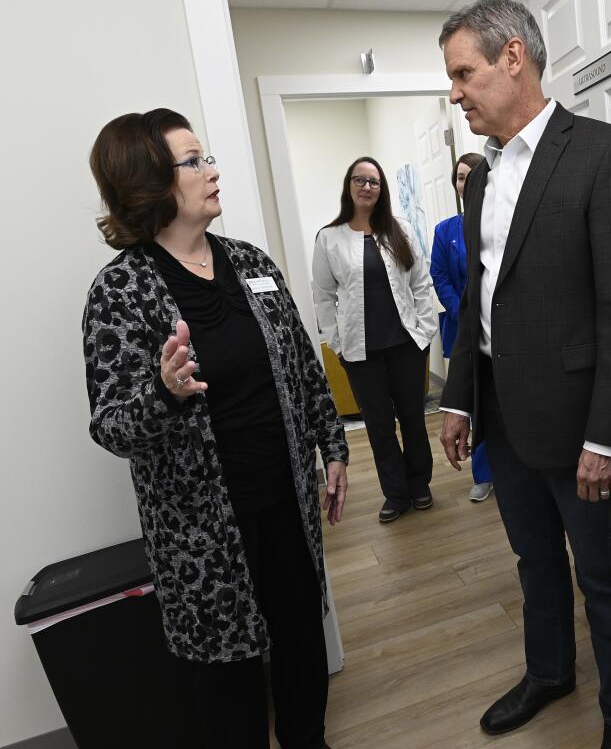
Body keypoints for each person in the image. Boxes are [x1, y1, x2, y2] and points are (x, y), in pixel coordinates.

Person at [82, 109, 348, 749]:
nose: (213, 170)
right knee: (228, 684)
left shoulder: (250, 262)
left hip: (286, 501)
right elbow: (112, 426)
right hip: (202, 532)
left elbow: (300, 365)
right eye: (194, 161)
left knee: (303, 650)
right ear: (151, 181)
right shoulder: (120, 291)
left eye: (207, 158)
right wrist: (165, 393)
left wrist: (331, 444)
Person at [437, 0, 611, 749]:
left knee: (601, 572)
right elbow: (477, 301)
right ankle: (549, 672)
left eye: (464, 72)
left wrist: (608, 437)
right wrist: (458, 400)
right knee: (533, 558)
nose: (457, 92)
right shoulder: (479, 180)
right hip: (502, 412)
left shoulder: (604, 153)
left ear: (513, 58)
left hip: (575, 422)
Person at [312, 157, 438, 523]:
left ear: (381, 190)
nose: (366, 187)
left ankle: (420, 485)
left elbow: (420, 283)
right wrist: (337, 342)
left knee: (414, 419)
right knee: (379, 426)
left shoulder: (399, 229)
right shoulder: (329, 238)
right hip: (360, 352)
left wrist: (425, 330)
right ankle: (395, 494)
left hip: (405, 346)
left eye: (374, 182)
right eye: (360, 180)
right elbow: (323, 296)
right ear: (349, 186)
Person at [430, 151, 494, 502]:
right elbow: (439, 276)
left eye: (471, 175)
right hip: (463, 330)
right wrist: (462, 311)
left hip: (500, 330)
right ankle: (483, 473)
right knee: (472, 403)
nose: (465, 182)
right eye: (459, 176)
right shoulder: (446, 230)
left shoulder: (500, 222)